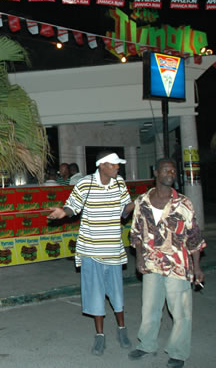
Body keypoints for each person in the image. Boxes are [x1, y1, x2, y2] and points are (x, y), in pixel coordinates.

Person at [48, 151, 134, 356]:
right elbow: (72, 207)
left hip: (113, 250)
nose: (117, 168)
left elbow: (124, 211)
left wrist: (136, 205)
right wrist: (63, 212)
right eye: (114, 165)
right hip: (91, 251)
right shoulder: (85, 184)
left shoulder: (120, 183)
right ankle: (100, 336)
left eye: (118, 165)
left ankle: (122, 330)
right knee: (95, 297)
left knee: (117, 295)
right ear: (102, 165)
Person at [128, 158, 206, 368]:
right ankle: (147, 345)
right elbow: (135, 235)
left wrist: (197, 267)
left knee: (180, 311)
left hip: (177, 266)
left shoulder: (183, 203)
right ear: (156, 173)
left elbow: (194, 238)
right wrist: (140, 260)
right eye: (166, 169)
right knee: (150, 308)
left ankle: (178, 352)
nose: (171, 172)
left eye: (173, 170)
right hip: (151, 265)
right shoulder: (142, 201)